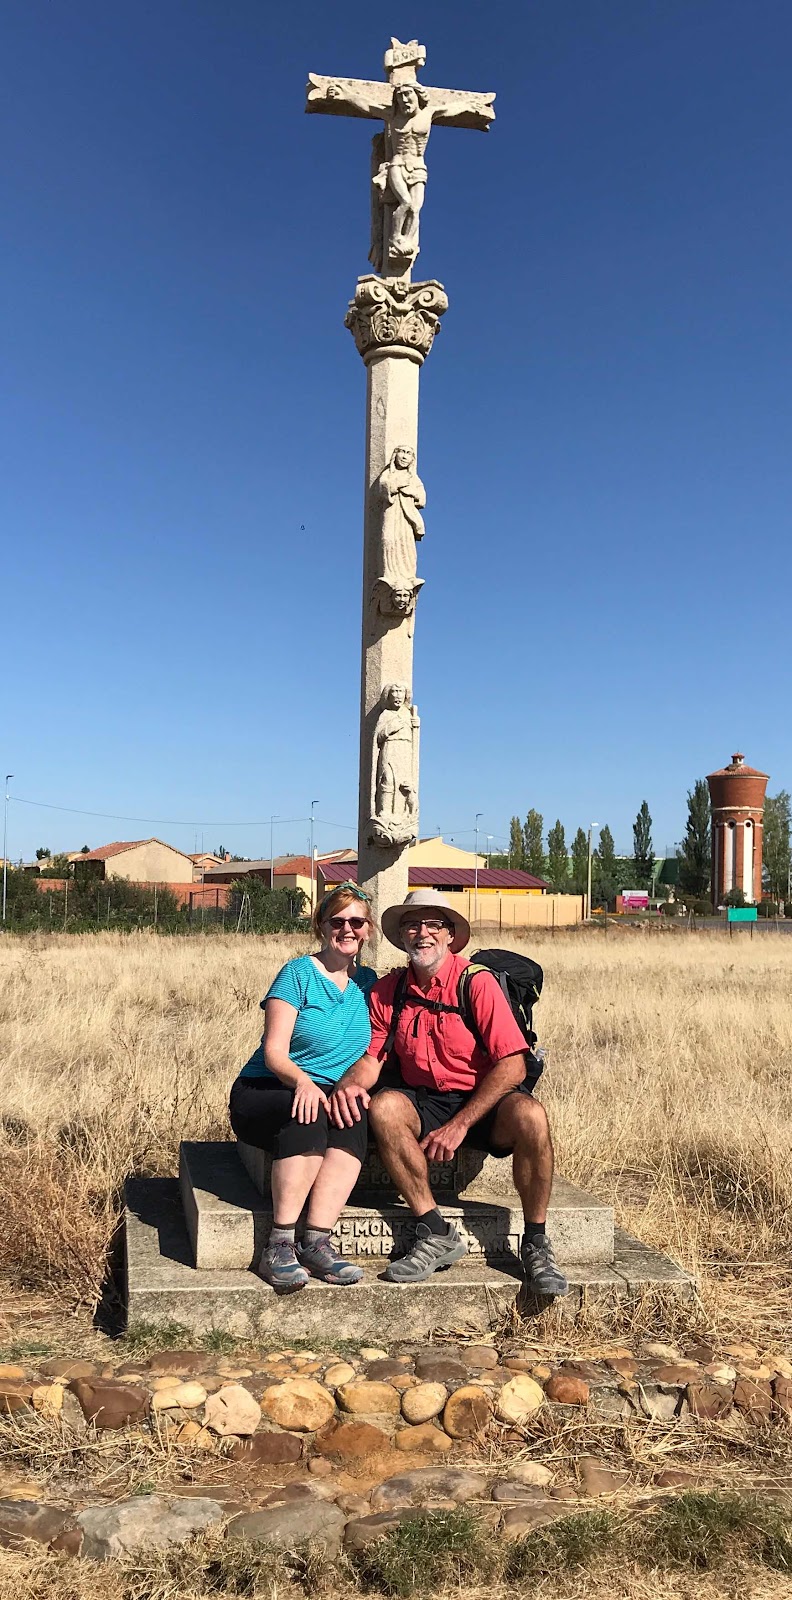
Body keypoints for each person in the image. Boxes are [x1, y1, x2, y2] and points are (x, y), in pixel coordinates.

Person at [329, 889, 568, 1295]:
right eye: (412, 925)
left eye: (433, 925)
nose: (422, 933)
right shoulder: (389, 991)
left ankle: (536, 1242)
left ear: (450, 935)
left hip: (484, 1099)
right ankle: (435, 1231)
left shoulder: (476, 983)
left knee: (532, 1116)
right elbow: (373, 1059)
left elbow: (512, 1065)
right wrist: (346, 1087)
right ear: (400, 936)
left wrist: (460, 1125)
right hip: (425, 1099)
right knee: (385, 1108)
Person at [229, 882, 377, 1292]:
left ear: (368, 930)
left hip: (331, 1091)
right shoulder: (297, 974)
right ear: (321, 926)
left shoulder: (369, 983)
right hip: (269, 1087)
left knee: (353, 1118)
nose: (347, 929)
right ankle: (278, 1245)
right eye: (338, 921)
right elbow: (274, 1052)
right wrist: (303, 1083)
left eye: (357, 922)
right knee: (308, 1115)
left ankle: (316, 1242)